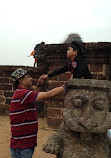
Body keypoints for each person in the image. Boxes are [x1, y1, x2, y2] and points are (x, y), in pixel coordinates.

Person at [9, 67, 64, 158]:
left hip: (21, 144)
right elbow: (48, 94)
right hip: (23, 146)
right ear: (21, 80)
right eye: (28, 76)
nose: (31, 78)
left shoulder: (21, 94)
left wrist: (38, 85)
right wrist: (66, 86)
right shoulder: (23, 94)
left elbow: (33, 99)